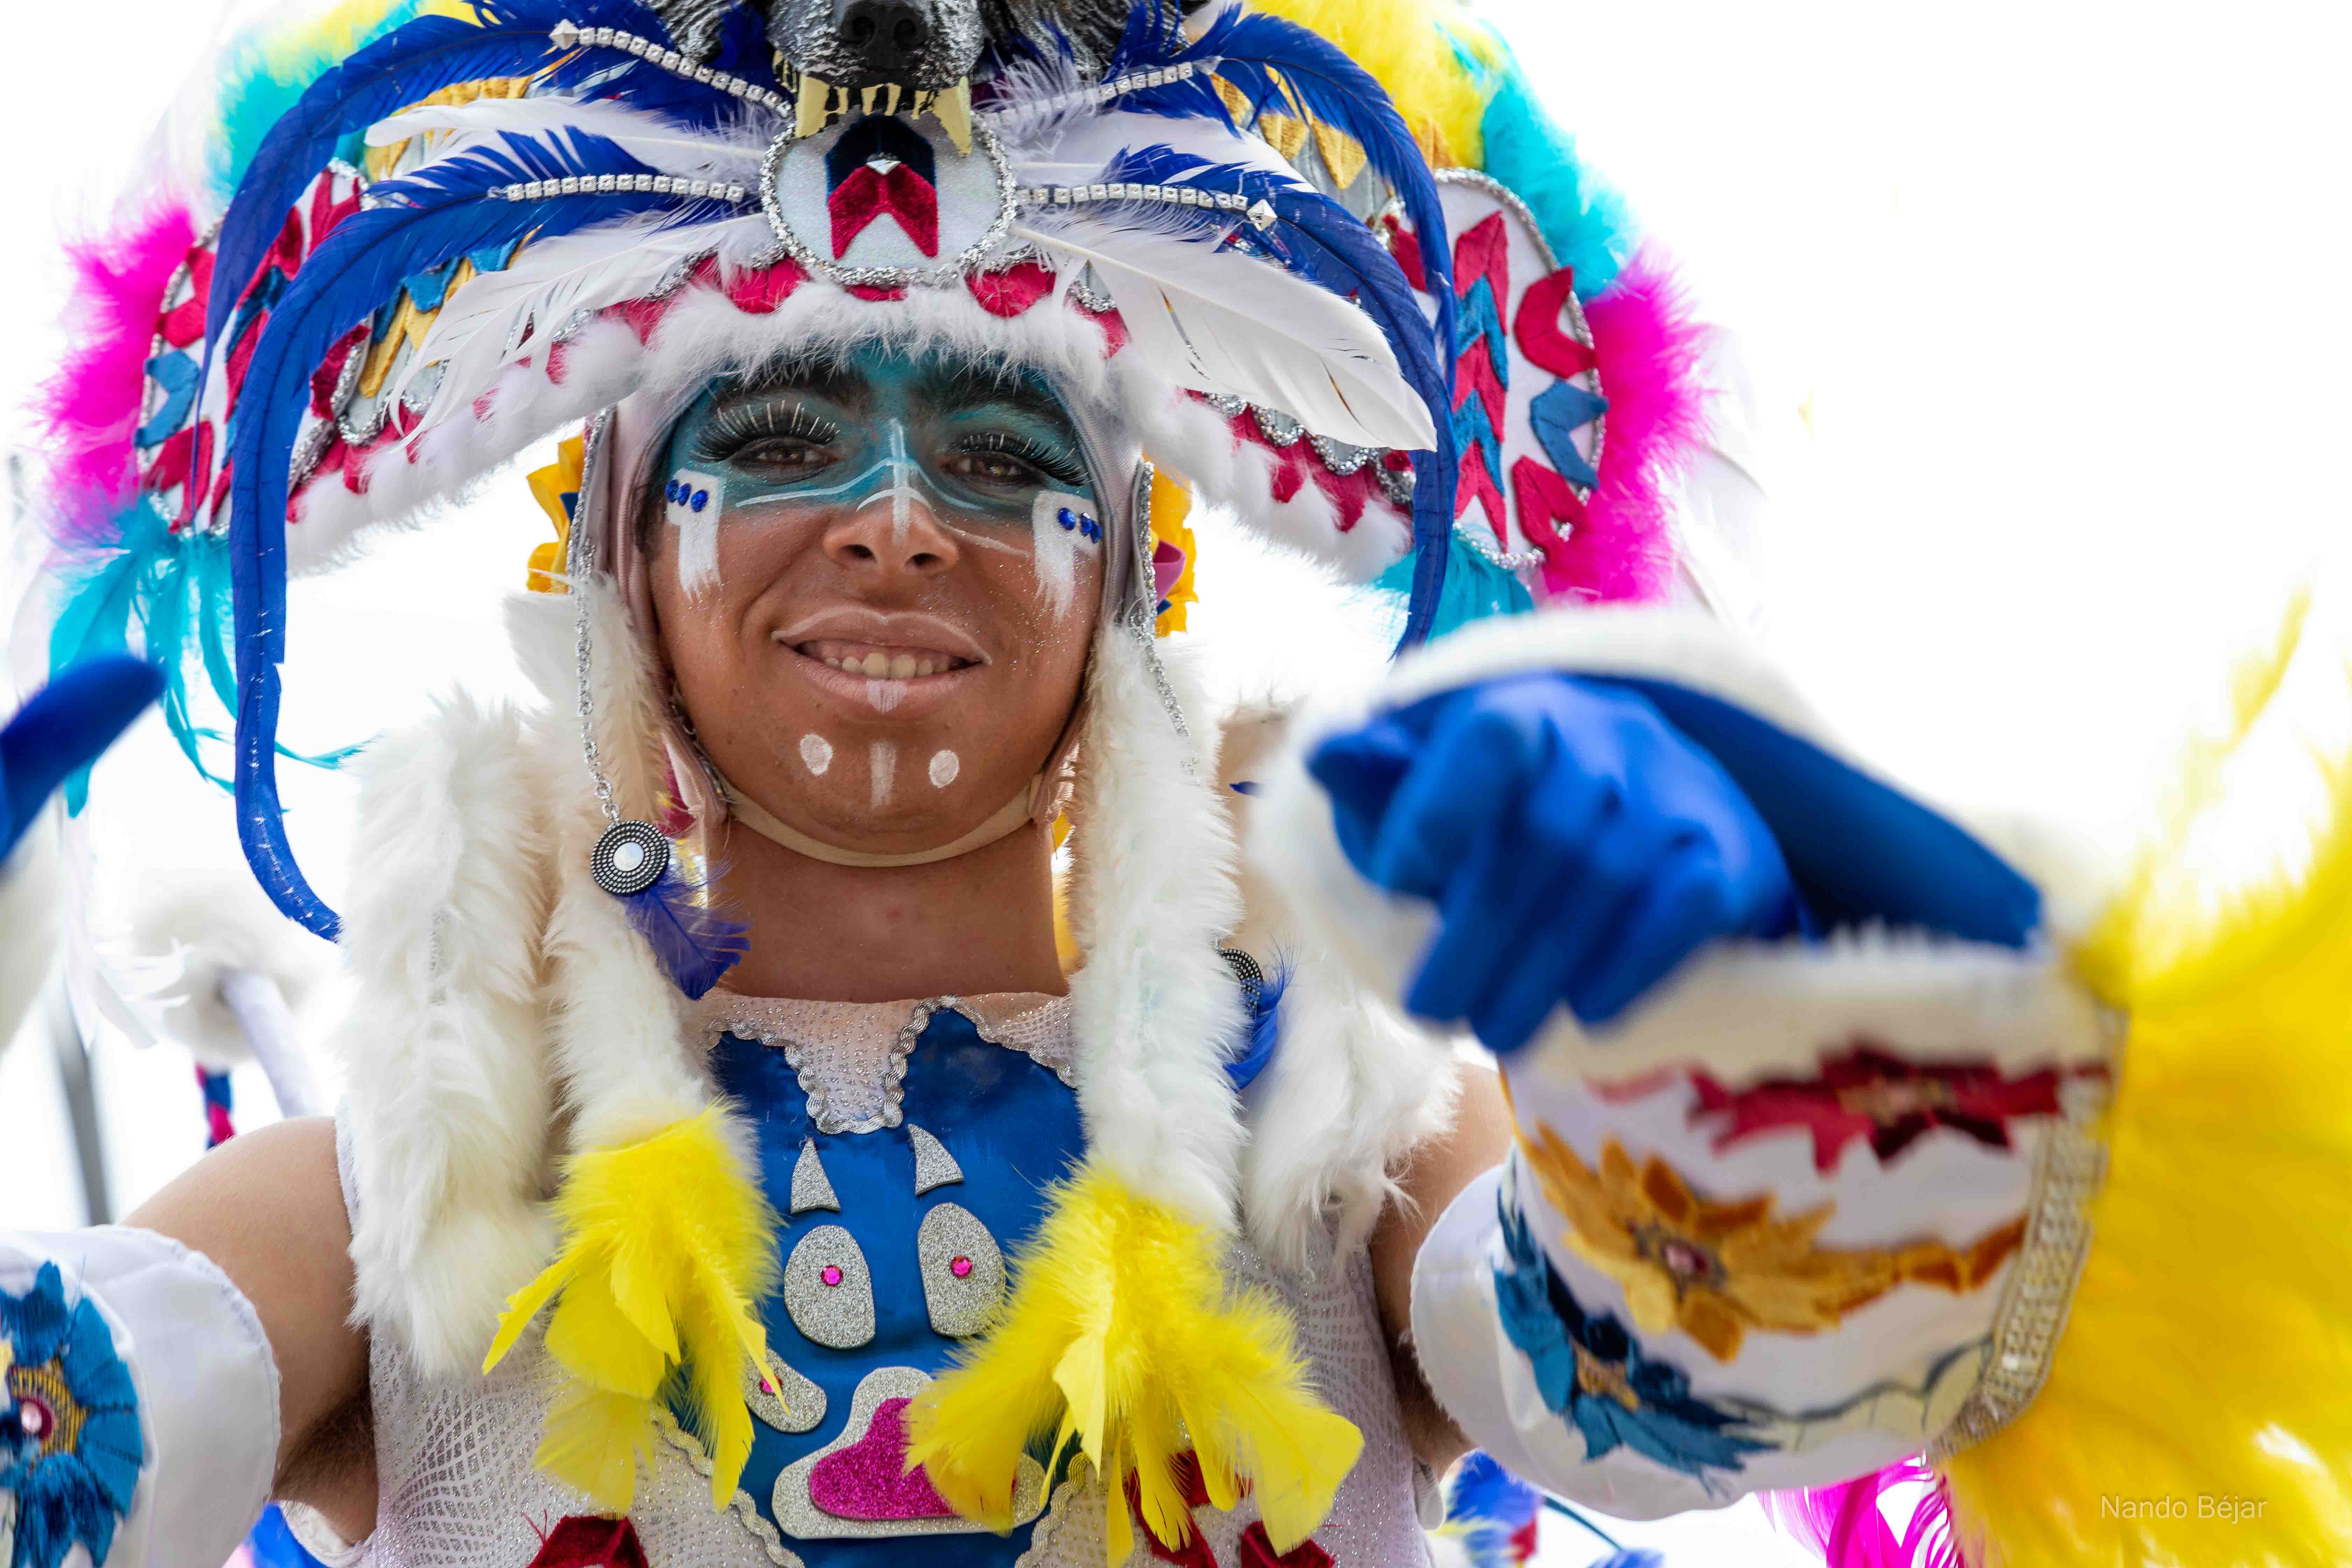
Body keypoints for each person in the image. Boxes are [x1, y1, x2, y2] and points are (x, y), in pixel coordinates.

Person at [6, 2, 2347, 1567]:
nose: (897, 519)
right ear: (611, 558)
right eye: (786, 434)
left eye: (996, 448)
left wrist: (1711, 1009)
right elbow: (82, 1440)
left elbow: (1653, 1391)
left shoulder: (1341, 1132)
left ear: (1135, 581)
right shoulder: (412, 1174)